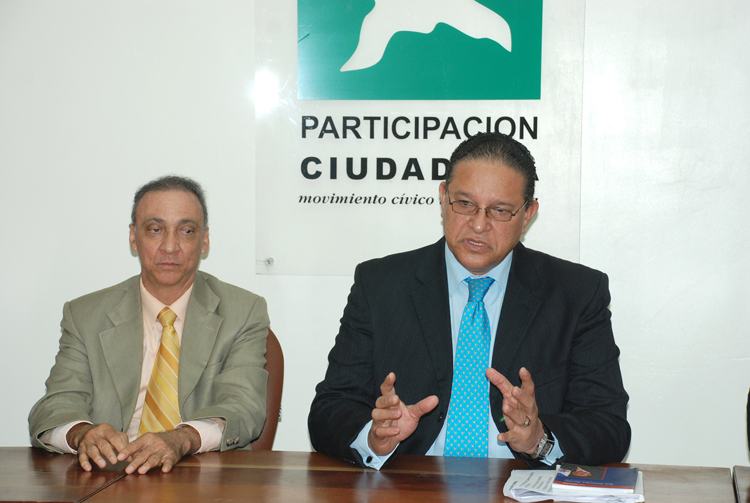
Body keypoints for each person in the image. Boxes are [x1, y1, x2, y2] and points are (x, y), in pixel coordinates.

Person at [308, 133, 630, 469]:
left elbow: (609, 427)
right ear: (443, 197)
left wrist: (540, 439)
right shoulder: (381, 285)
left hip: (520, 484)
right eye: (464, 204)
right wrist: (375, 437)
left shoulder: (576, 293)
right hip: (410, 483)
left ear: (528, 214)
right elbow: (329, 411)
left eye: (500, 210)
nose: (478, 225)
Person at [29, 176, 269, 474]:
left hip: (199, 475)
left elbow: (244, 408)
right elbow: (54, 406)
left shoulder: (243, 311)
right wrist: (82, 434)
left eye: (186, 231)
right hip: (109, 475)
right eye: (155, 229)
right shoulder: (85, 315)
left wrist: (182, 438)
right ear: (134, 237)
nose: (170, 246)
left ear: (205, 240)